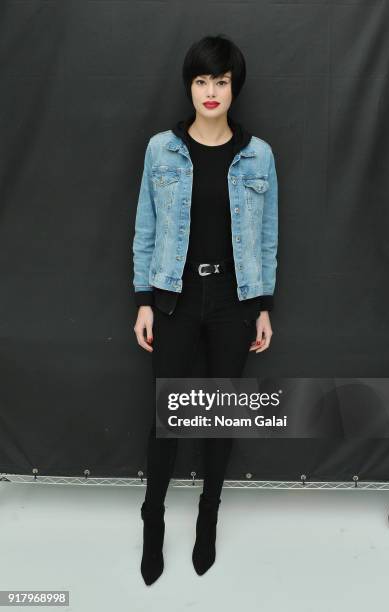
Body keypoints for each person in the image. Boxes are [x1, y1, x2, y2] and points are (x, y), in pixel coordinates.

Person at [132, 34, 278, 585]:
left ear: (234, 87)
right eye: (201, 81)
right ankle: (152, 519)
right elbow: (146, 228)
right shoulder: (160, 150)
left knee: (218, 417)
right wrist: (144, 300)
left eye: (220, 81)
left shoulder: (258, 154)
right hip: (174, 296)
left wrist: (262, 305)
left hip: (235, 302)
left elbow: (266, 238)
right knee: (168, 420)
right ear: (188, 87)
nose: (211, 91)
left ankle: (208, 517)